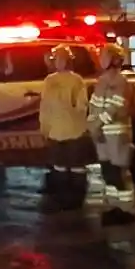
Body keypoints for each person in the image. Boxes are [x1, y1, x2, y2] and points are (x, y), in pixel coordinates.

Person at [89, 43, 135, 227]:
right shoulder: (101, 82)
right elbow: (94, 105)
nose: (101, 58)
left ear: (115, 59)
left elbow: (116, 106)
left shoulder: (121, 82)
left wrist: (97, 124)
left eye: (105, 55)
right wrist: (92, 126)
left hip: (117, 136)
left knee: (119, 174)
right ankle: (114, 206)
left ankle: (128, 210)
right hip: (103, 138)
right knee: (108, 174)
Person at [40, 43, 90, 210]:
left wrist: (77, 116)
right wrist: (44, 127)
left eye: (62, 59)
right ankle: (62, 198)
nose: (58, 62)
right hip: (56, 130)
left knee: (76, 166)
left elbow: (82, 105)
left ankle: (76, 200)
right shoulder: (49, 81)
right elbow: (45, 106)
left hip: (74, 130)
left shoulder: (77, 80)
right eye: (56, 59)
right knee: (59, 166)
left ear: (68, 61)